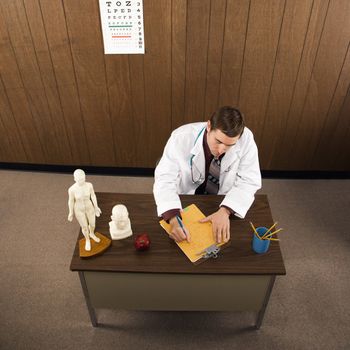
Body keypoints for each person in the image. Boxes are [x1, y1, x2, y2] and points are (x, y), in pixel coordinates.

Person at [153, 106, 261, 244]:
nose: (222, 149)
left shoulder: (246, 139)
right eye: (218, 141)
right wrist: (173, 219)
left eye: (230, 145)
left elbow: (249, 181)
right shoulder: (180, 138)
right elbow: (164, 179)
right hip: (186, 200)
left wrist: (225, 211)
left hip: (222, 201)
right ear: (209, 126)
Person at [68, 169, 102, 251]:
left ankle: (92, 234)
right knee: (85, 227)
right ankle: (87, 239)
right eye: (79, 179)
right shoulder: (72, 189)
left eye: (83, 179)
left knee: (92, 224)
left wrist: (96, 207)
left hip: (89, 207)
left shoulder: (89, 185)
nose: (81, 181)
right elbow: (71, 201)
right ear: (75, 179)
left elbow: (93, 195)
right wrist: (71, 212)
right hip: (79, 209)